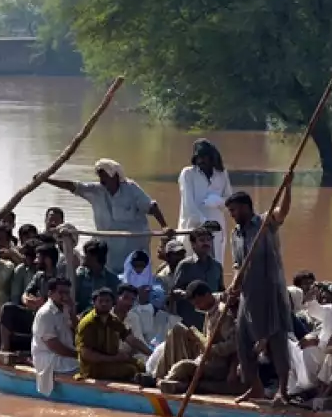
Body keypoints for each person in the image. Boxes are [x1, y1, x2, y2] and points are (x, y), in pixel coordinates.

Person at [225, 189, 294, 403]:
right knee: (243, 341)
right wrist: (234, 284)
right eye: (230, 211)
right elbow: (238, 264)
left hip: (271, 291)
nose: (232, 215)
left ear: (245, 207)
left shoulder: (265, 223)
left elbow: (282, 212)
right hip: (248, 295)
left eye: (234, 210)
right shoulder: (235, 235)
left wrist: (288, 186)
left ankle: (283, 391)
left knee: (277, 340)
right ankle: (255, 387)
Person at [44, 160, 169, 273]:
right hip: (109, 251)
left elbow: (151, 207)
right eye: (99, 175)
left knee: (134, 277)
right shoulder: (96, 191)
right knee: (107, 276)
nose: (101, 179)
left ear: (114, 175)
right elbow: (73, 186)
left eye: (104, 174)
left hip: (133, 249)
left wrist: (164, 226)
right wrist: (46, 179)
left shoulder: (131, 189)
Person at [155, 282, 244, 396]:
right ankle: (159, 377)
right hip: (204, 356)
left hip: (217, 364)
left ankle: (168, 382)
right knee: (177, 331)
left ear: (207, 296)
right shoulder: (210, 308)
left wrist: (212, 349)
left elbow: (233, 344)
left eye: (198, 303)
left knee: (182, 367)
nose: (197, 307)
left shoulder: (223, 313)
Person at [0, 245, 61, 361]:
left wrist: (45, 304)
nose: (35, 261)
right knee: (7, 309)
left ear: (47, 260)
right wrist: (29, 301)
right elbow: (25, 294)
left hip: (52, 319)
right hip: (35, 313)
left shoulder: (60, 278)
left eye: (38, 258)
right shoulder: (39, 276)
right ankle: (4, 351)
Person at [178, 138, 234, 266]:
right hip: (193, 227)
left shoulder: (221, 174)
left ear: (212, 158)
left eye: (205, 157)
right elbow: (188, 204)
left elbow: (230, 200)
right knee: (192, 264)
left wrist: (219, 201)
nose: (201, 161)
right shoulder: (188, 174)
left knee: (215, 264)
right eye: (199, 157)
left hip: (216, 228)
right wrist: (204, 222)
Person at [76, 288, 145, 382]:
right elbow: (86, 355)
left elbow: (131, 339)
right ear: (94, 303)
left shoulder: (113, 320)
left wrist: (152, 353)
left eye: (107, 301)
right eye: (100, 301)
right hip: (92, 368)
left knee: (141, 365)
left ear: (113, 302)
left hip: (110, 361)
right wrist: (114, 358)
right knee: (130, 370)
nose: (104, 304)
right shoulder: (88, 323)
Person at [164, 227, 224, 330]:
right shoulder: (185, 265)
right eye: (202, 240)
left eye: (208, 240)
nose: (206, 243)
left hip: (212, 321)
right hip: (190, 321)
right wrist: (189, 295)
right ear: (193, 244)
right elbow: (174, 293)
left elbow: (221, 290)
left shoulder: (217, 266)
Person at [31, 278, 81, 394]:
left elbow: (79, 330)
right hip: (49, 357)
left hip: (65, 354)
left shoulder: (65, 308)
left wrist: (73, 311)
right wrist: (78, 355)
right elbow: (54, 346)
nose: (65, 296)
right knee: (85, 367)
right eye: (61, 292)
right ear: (50, 293)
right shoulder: (45, 313)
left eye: (67, 293)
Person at [74, 239, 121, 314]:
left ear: (94, 257)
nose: (84, 257)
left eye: (86, 254)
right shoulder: (80, 276)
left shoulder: (112, 280)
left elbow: (116, 304)